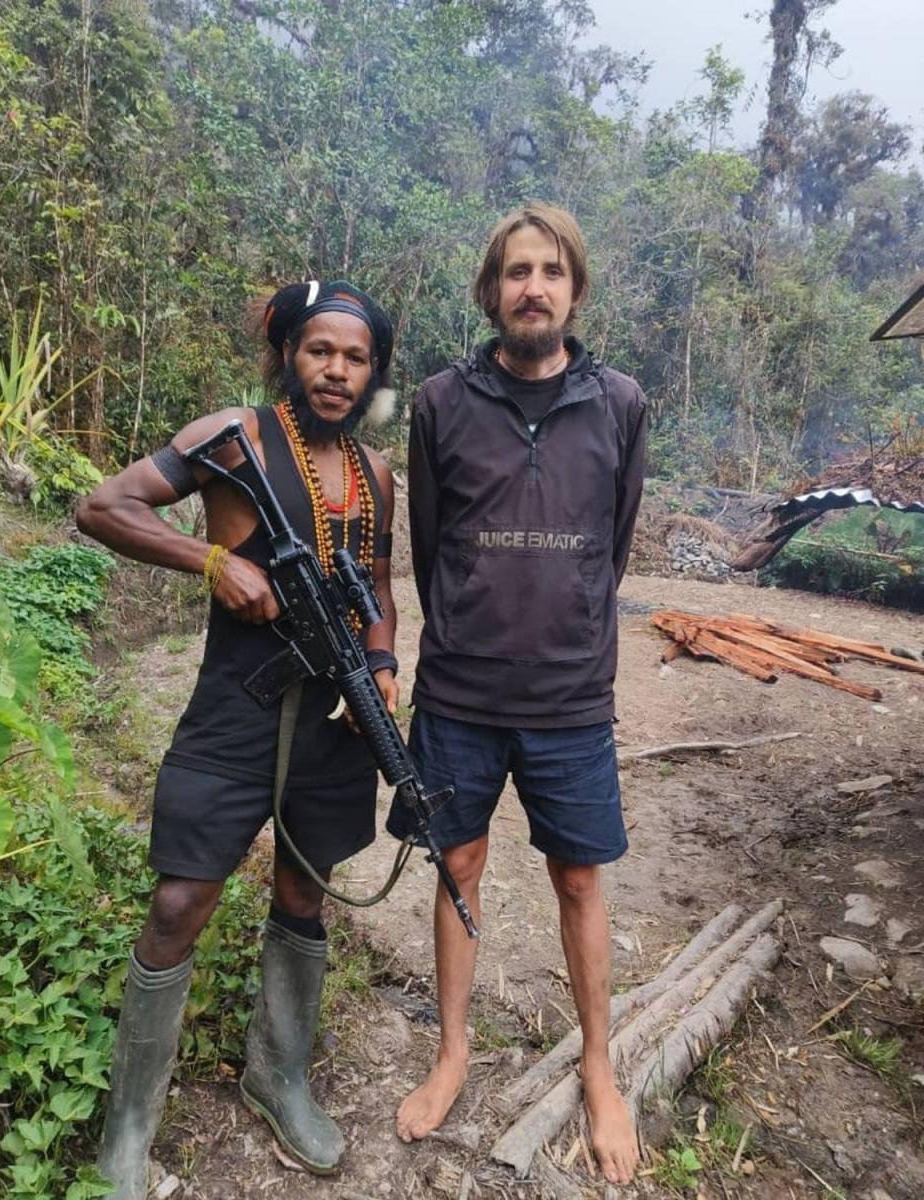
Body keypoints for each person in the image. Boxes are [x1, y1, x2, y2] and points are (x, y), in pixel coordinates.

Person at [77, 280, 400, 1197]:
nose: (336, 371)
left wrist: (381, 671)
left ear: (373, 371)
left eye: (355, 357)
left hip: (335, 714)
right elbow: (103, 508)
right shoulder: (238, 436)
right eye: (320, 351)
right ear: (290, 352)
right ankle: (128, 1129)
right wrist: (211, 560)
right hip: (235, 706)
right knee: (181, 901)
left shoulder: (374, 474)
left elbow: (378, 583)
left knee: (307, 887)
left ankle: (278, 1074)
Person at [388, 204, 646, 1186]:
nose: (531, 286)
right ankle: (451, 1051)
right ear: (490, 291)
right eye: (514, 272)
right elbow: (429, 544)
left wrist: (569, 614)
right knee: (457, 863)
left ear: (575, 290)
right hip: (460, 689)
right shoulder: (438, 405)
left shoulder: (618, 403)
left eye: (549, 271)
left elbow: (612, 548)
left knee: (579, 876)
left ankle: (598, 1062)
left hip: (573, 694)